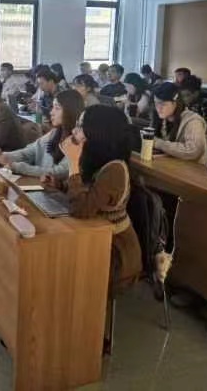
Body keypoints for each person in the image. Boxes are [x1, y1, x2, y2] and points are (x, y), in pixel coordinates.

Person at [59, 105, 143, 296]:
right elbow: (82, 193)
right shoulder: (95, 159)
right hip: (95, 240)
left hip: (115, 253)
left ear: (98, 133)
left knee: (56, 262)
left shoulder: (115, 170)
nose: (74, 131)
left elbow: (81, 208)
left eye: (81, 126)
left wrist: (73, 162)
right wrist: (57, 184)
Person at [0, 90, 84, 179]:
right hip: (40, 184)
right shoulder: (55, 133)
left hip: (49, 187)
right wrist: (4, 156)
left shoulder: (77, 140)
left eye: (57, 108)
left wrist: (17, 167)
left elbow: (60, 172)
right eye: (52, 107)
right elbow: (29, 152)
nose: (51, 112)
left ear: (70, 111)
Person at [151, 82, 207, 164]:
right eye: (156, 103)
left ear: (175, 103)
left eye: (163, 104)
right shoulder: (162, 118)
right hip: (171, 165)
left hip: (192, 169)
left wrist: (158, 143)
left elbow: (193, 151)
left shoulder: (193, 121)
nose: (158, 108)